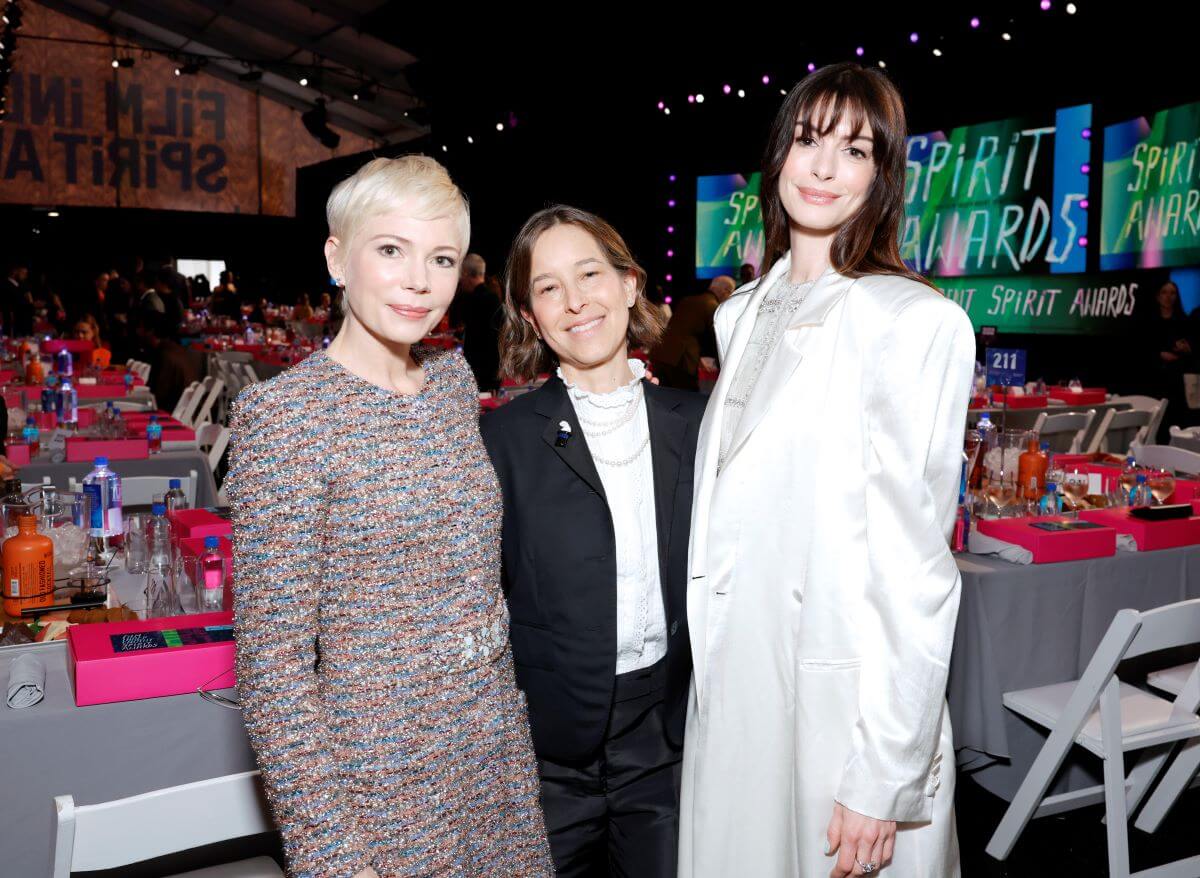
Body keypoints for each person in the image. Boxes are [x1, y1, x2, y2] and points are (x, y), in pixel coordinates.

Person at [679, 63, 973, 878]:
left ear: (883, 178)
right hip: (735, 698)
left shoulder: (913, 323)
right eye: (807, 141)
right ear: (778, 157)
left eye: (855, 151)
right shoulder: (740, 315)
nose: (822, 167)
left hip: (838, 713)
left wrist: (885, 772)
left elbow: (919, 571)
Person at [226, 155, 551, 878]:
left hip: (492, 754)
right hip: (381, 781)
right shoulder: (284, 419)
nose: (418, 281)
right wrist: (334, 856)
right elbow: (273, 669)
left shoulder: (450, 381)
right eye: (390, 250)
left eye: (440, 258)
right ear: (337, 258)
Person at [482, 206, 705, 876]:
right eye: (548, 288)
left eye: (589, 274)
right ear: (529, 314)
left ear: (631, 284)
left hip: (668, 742)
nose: (575, 301)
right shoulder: (502, 441)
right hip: (544, 757)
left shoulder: (701, 426)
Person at [650, 276, 735, 390]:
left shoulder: (688, 300)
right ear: (725, 291)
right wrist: (726, 365)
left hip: (660, 354)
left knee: (663, 401)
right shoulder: (712, 306)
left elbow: (683, 332)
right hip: (680, 361)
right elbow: (717, 341)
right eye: (731, 293)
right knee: (687, 400)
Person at [1147, 280, 1194, 440]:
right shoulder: (1149, 320)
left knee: (1175, 422)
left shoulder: (1184, 320)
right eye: (1164, 292)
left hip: (1177, 381)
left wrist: (1187, 349)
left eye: (1172, 293)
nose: (1168, 297)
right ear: (1158, 296)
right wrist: (1160, 355)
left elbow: (1192, 349)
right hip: (1154, 380)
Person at [133, 310, 203, 414]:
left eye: (141, 328)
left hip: (173, 413)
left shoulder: (163, 355)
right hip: (186, 411)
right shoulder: (174, 349)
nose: (137, 332)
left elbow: (156, 397)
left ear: (151, 331)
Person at [455, 252, 504, 391]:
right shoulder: (493, 299)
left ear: (466, 274)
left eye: (461, 276)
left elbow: (478, 343)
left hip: (483, 375)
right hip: (492, 371)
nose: (460, 280)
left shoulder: (474, 301)